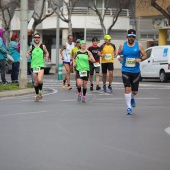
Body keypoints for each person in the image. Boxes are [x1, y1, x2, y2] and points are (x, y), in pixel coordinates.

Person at [117, 29, 147, 115]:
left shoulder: (139, 46)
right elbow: (118, 54)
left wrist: (140, 59)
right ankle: (129, 107)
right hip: (125, 70)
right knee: (127, 88)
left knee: (134, 91)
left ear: (135, 38)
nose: (131, 38)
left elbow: (145, 55)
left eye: (133, 37)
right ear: (127, 36)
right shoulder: (122, 45)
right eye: (130, 36)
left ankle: (132, 97)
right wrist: (119, 58)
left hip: (136, 71)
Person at [26, 33, 49, 102]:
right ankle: (37, 94)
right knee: (35, 82)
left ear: (39, 38)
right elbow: (27, 53)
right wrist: (27, 55)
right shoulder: (31, 47)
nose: (37, 38)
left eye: (38, 37)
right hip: (33, 66)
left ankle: (40, 91)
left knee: (39, 80)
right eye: (35, 37)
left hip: (41, 65)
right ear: (34, 39)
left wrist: (46, 56)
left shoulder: (43, 46)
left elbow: (47, 53)